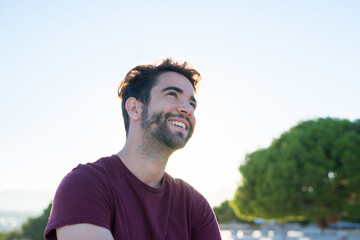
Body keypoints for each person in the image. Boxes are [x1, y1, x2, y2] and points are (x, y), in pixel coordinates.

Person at [44, 58, 222, 240]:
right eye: (172, 95)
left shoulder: (193, 205)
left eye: (192, 104)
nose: (188, 109)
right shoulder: (85, 185)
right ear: (135, 108)